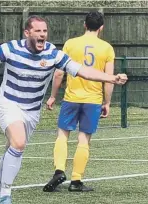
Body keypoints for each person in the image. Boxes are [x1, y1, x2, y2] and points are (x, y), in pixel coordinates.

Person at [0, 15, 127, 204]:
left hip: (32, 110)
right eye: (38, 31)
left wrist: (111, 78)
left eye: (45, 31)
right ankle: (5, 193)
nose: (42, 35)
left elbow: (84, 71)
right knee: (18, 142)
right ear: (27, 33)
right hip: (8, 103)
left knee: (13, 149)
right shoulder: (11, 48)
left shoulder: (53, 54)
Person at [43, 12, 117, 193]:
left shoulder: (70, 44)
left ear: (84, 25)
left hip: (71, 98)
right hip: (92, 100)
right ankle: (76, 180)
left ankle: (59, 171)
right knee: (83, 139)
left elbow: (59, 72)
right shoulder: (106, 48)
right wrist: (107, 102)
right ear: (101, 27)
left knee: (62, 135)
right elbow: (108, 79)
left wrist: (53, 96)